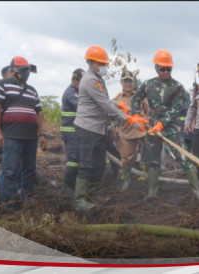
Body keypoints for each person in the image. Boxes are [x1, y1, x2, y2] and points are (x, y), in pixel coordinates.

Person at [73, 45, 148, 211]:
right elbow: (104, 104)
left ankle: (93, 194)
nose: (105, 67)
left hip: (98, 129)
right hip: (87, 129)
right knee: (87, 164)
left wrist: (120, 105)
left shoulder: (98, 79)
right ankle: (79, 201)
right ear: (91, 63)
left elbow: (106, 100)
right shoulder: (90, 80)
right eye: (101, 64)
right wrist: (127, 119)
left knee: (99, 163)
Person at [131, 49, 199, 202]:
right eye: (162, 69)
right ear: (156, 68)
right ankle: (152, 192)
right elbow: (135, 100)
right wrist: (136, 115)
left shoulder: (177, 87)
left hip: (171, 127)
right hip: (152, 128)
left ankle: (197, 192)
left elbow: (175, 109)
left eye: (169, 69)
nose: (165, 72)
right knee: (153, 159)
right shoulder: (148, 84)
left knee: (184, 157)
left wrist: (161, 124)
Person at [0, 56, 45, 211]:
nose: (25, 73)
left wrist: (42, 135)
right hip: (12, 136)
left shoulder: (32, 91)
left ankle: (27, 198)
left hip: (31, 137)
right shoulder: (2, 85)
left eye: (27, 70)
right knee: (10, 170)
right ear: (12, 71)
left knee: (29, 170)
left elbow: (38, 114)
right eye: (22, 71)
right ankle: (7, 203)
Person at [113, 70, 149, 191]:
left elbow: (147, 111)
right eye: (125, 81)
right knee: (127, 158)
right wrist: (115, 127)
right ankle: (127, 181)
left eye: (130, 81)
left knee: (151, 150)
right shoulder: (117, 99)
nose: (128, 84)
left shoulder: (140, 96)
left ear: (133, 83)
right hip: (127, 132)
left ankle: (151, 178)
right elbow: (113, 116)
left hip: (142, 130)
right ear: (121, 83)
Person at [60, 68, 85, 193]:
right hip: (70, 132)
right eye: (80, 81)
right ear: (73, 80)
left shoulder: (78, 92)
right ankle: (68, 186)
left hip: (77, 131)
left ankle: (74, 185)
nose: (82, 84)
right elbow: (82, 106)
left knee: (78, 158)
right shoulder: (71, 93)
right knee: (73, 160)